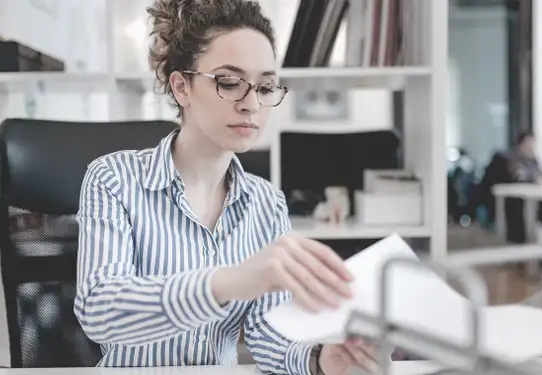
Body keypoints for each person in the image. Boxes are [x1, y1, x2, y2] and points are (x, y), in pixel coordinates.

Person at [74, 0, 381, 374]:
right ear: (182, 87)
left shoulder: (266, 203)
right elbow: (100, 311)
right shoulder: (113, 179)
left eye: (265, 86)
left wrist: (318, 360)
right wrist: (227, 281)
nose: (251, 104)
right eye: (230, 82)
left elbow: (269, 332)